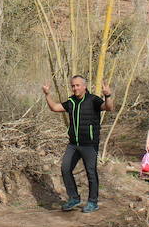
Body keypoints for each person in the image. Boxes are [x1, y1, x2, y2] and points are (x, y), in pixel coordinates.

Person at [41, 75, 115, 212]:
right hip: (73, 144)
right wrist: (47, 95)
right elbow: (55, 107)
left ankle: (93, 202)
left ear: (84, 86)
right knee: (65, 168)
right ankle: (74, 198)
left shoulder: (93, 100)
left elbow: (108, 107)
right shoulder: (71, 101)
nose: (75, 88)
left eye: (77, 85)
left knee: (91, 172)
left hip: (90, 144)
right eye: (73, 86)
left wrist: (108, 95)